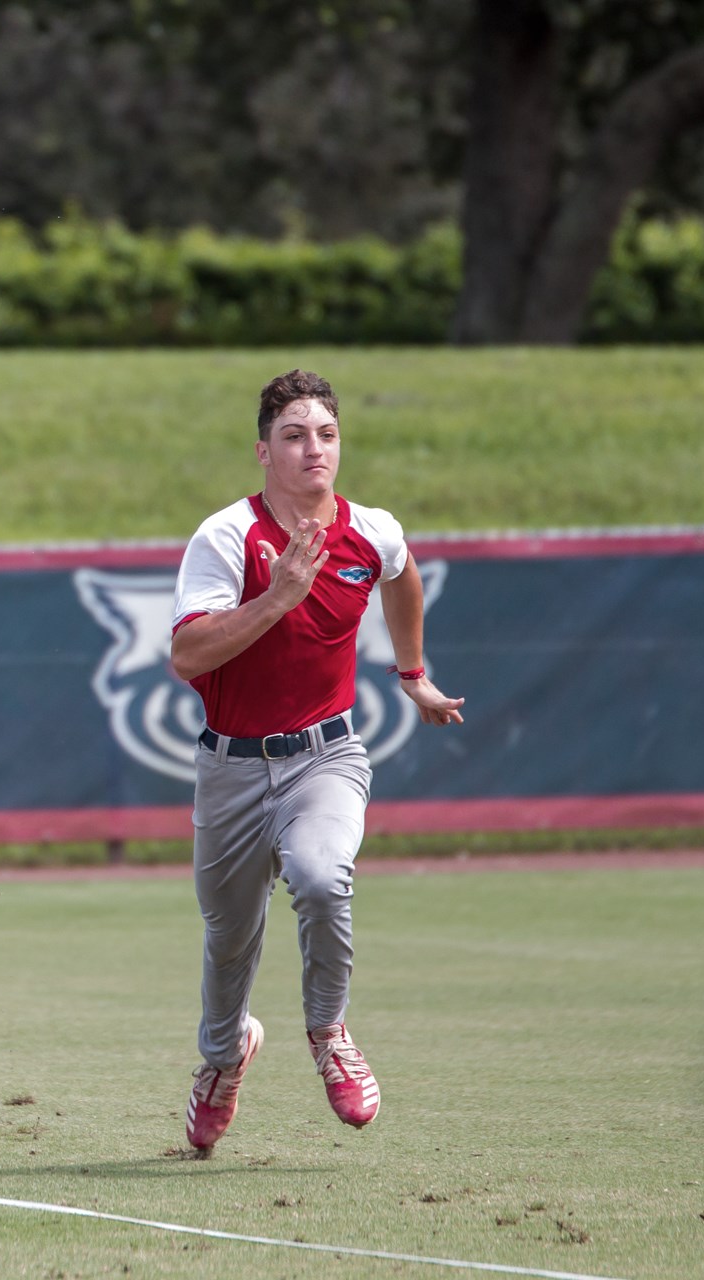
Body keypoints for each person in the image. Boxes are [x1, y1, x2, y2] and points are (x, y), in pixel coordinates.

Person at [169, 369, 464, 1155]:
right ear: (262, 450)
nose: (313, 449)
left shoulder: (371, 530)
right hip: (231, 767)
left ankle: (329, 1031)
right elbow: (185, 654)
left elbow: (401, 577)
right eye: (294, 435)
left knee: (321, 874)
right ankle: (224, 1058)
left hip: (325, 757)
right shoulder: (229, 536)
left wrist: (412, 672)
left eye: (326, 434)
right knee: (230, 939)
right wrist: (276, 598)